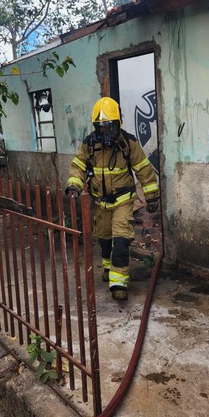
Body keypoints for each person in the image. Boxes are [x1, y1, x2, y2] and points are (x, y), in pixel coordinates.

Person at [65, 97, 159, 301]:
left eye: (110, 126)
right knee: (105, 239)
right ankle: (108, 268)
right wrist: (74, 186)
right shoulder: (89, 144)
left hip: (123, 200)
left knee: (121, 240)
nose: (106, 131)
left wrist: (152, 196)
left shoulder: (128, 143)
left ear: (118, 123)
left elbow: (143, 168)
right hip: (101, 202)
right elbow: (78, 166)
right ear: (96, 127)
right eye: (101, 127)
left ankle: (119, 283)